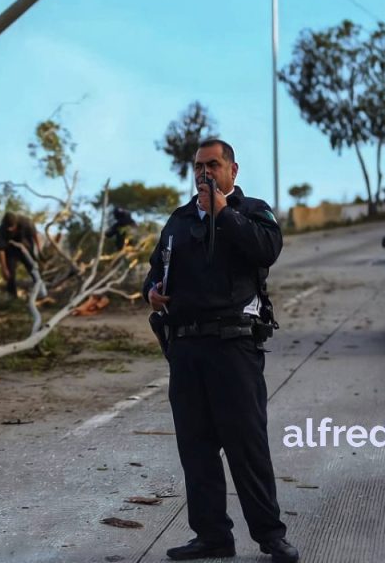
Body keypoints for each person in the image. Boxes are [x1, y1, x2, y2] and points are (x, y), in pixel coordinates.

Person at [144, 139, 298, 562]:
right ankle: (212, 536)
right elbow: (154, 275)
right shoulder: (177, 222)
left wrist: (223, 214)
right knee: (196, 449)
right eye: (198, 166)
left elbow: (267, 250)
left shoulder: (253, 213)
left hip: (234, 348)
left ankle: (270, 535)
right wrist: (152, 293)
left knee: (247, 447)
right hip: (187, 349)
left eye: (213, 164)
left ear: (232, 170)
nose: (204, 172)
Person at [0, 212, 42, 299]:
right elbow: (1, 250)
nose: (10, 229)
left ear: (16, 223)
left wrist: (39, 250)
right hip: (11, 250)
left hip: (26, 247)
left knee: (33, 268)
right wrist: (4, 268)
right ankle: (12, 296)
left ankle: (41, 291)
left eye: (12, 227)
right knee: (10, 273)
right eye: (8, 227)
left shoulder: (26, 222)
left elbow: (35, 235)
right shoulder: (1, 230)